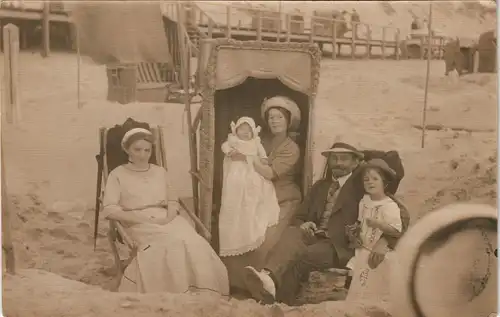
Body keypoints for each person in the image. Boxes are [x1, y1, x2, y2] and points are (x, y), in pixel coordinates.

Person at [102, 127, 229, 295]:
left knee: (191, 240)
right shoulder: (117, 174)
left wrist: (168, 218)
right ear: (127, 150)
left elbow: (172, 200)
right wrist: (141, 219)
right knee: (167, 244)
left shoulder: (160, 172)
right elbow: (110, 209)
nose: (142, 154)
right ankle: (170, 292)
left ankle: (198, 290)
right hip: (136, 221)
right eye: (137, 149)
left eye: (147, 150)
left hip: (166, 217)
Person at [242, 142, 366, 305]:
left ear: (355, 163)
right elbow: (299, 216)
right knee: (291, 234)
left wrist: (386, 240)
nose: (338, 163)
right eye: (334, 158)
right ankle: (268, 276)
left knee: (303, 256)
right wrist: (304, 224)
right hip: (314, 236)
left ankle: (280, 302)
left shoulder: (361, 188)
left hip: (338, 246)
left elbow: (396, 211)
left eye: (344, 159)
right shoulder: (320, 187)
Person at [222, 95, 303, 291]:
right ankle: (237, 284)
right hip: (254, 193)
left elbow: (269, 172)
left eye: (279, 117)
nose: (275, 121)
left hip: (284, 197)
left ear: (288, 120)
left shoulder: (291, 148)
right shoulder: (260, 140)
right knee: (240, 229)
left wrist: (247, 158)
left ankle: (260, 285)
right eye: (271, 117)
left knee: (265, 238)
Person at [219, 116, 280, 257]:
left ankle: (251, 231)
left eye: (249, 130)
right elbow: (225, 146)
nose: (245, 133)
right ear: (236, 130)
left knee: (255, 196)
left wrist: (263, 159)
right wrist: (230, 151)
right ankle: (235, 237)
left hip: (253, 173)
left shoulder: (256, 142)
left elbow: (262, 155)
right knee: (234, 198)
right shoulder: (233, 141)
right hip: (236, 174)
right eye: (242, 129)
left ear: (253, 132)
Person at [345, 159, 403, 302]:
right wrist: (354, 232)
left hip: (379, 253)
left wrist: (379, 224)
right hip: (363, 249)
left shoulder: (389, 206)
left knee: (375, 288)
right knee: (358, 285)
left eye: (375, 179)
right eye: (366, 180)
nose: (370, 182)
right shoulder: (364, 201)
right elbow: (360, 222)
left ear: (385, 182)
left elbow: (396, 230)